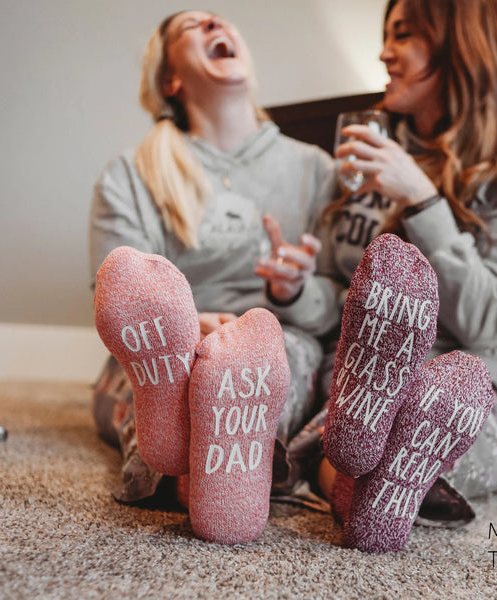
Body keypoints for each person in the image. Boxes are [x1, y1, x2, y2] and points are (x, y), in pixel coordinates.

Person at [305, 0, 497, 504]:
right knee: (351, 412)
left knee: (440, 417)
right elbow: (345, 294)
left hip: (492, 360)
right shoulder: (370, 155)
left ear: (458, 45)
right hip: (381, 365)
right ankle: (363, 480)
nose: (384, 54)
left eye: (403, 35)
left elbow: (482, 319)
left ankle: (363, 482)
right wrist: (293, 289)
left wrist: (423, 199)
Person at [89, 10, 339, 503]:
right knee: (155, 366)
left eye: (221, 22)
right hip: (167, 341)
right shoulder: (130, 174)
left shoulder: (316, 170)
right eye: (194, 26)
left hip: (277, 331)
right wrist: (187, 324)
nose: (215, 27)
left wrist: (297, 289)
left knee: (281, 356)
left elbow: (340, 305)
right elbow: (113, 295)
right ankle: (194, 465)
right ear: (170, 78)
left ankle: (200, 468)